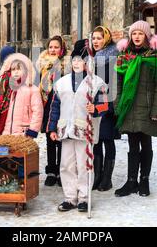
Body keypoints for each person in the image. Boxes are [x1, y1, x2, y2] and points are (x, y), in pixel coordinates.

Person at [47, 39, 112, 212]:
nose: (76, 63)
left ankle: (84, 197)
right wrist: (52, 128)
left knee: (84, 165)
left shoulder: (96, 83)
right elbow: (54, 107)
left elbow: (106, 105)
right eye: (74, 60)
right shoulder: (61, 83)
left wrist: (95, 108)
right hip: (65, 130)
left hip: (85, 131)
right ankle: (70, 197)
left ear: (86, 63)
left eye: (80, 60)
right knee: (66, 165)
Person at [114, 20, 157, 197]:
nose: (136, 36)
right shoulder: (124, 56)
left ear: (147, 36)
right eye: (134, 34)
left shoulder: (155, 57)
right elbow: (118, 83)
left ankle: (144, 180)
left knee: (146, 144)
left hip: (147, 107)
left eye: (140, 33)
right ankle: (131, 181)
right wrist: (118, 104)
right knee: (132, 145)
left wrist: (156, 111)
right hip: (129, 107)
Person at [36, 35, 70, 186]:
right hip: (48, 103)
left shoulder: (67, 64)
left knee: (62, 138)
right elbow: (38, 84)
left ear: (62, 48)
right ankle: (51, 171)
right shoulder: (43, 64)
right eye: (51, 47)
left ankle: (63, 172)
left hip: (63, 104)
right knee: (50, 138)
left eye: (56, 47)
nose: (53, 50)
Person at [90, 26, 120, 191]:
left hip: (108, 103)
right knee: (96, 140)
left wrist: (109, 104)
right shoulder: (92, 59)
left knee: (107, 139)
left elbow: (114, 83)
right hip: (94, 104)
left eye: (99, 38)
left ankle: (107, 179)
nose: (96, 41)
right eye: (94, 38)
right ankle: (97, 176)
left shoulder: (113, 57)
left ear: (106, 39)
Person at [0, 52, 43, 138]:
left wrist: (32, 131)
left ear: (26, 70)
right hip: (6, 132)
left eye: (19, 69)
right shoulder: (7, 89)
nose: (16, 72)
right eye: (13, 69)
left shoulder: (32, 89)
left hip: (24, 133)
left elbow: (38, 112)